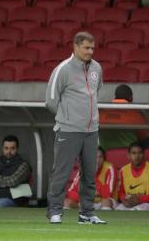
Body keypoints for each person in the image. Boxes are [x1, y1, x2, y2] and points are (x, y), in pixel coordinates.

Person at [45, 31, 106, 224]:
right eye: (87, 48)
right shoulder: (62, 69)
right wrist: (67, 119)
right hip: (68, 130)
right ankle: (54, 211)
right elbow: (50, 101)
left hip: (91, 131)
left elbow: (97, 93)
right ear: (76, 46)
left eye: (93, 48)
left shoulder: (97, 67)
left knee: (89, 174)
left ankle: (86, 214)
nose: (90, 52)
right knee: (61, 173)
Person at [99, 84, 149, 151]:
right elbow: (145, 137)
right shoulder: (135, 114)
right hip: (128, 157)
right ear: (130, 98)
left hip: (104, 156)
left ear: (115, 97)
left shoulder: (101, 112)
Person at [115, 142, 149, 211]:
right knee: (117, 211)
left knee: (135, 210)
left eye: (140, 153)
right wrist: (124, 200)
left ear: (143, 154)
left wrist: (139, 199)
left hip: (147, 203)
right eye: (134, 153)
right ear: (128, 155)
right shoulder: (123, 170)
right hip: (129, 202)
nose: (137, 156)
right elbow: (120, 192)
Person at [0, 135, 32, 207]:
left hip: (11, 198)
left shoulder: (24, 164)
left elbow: (12, 182)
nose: (9, 151)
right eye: (6, 148)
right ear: (2, 148)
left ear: (17, 149)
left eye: (12, 148)